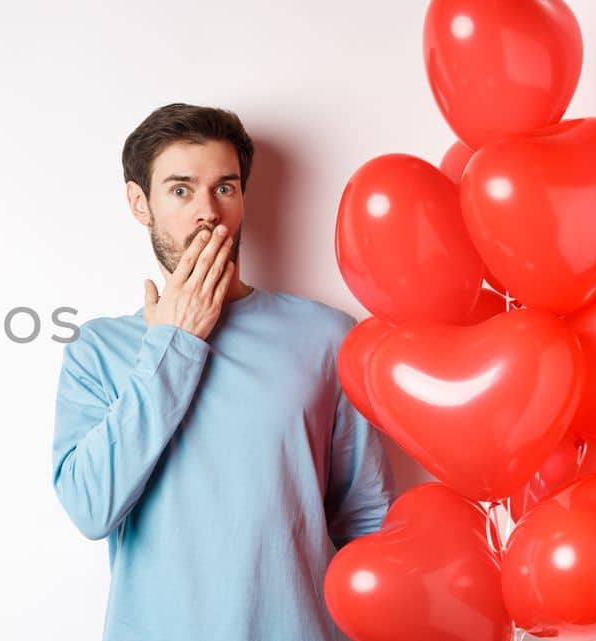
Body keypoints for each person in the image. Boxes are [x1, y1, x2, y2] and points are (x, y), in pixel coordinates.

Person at [50, 103, 395, 640]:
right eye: (181, 190)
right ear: (140, 203)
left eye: (225, 188)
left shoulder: (327, 337)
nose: (206, 211)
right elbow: (91, 508)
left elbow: (368, 520)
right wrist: (175, 342)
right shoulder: (98, 350)